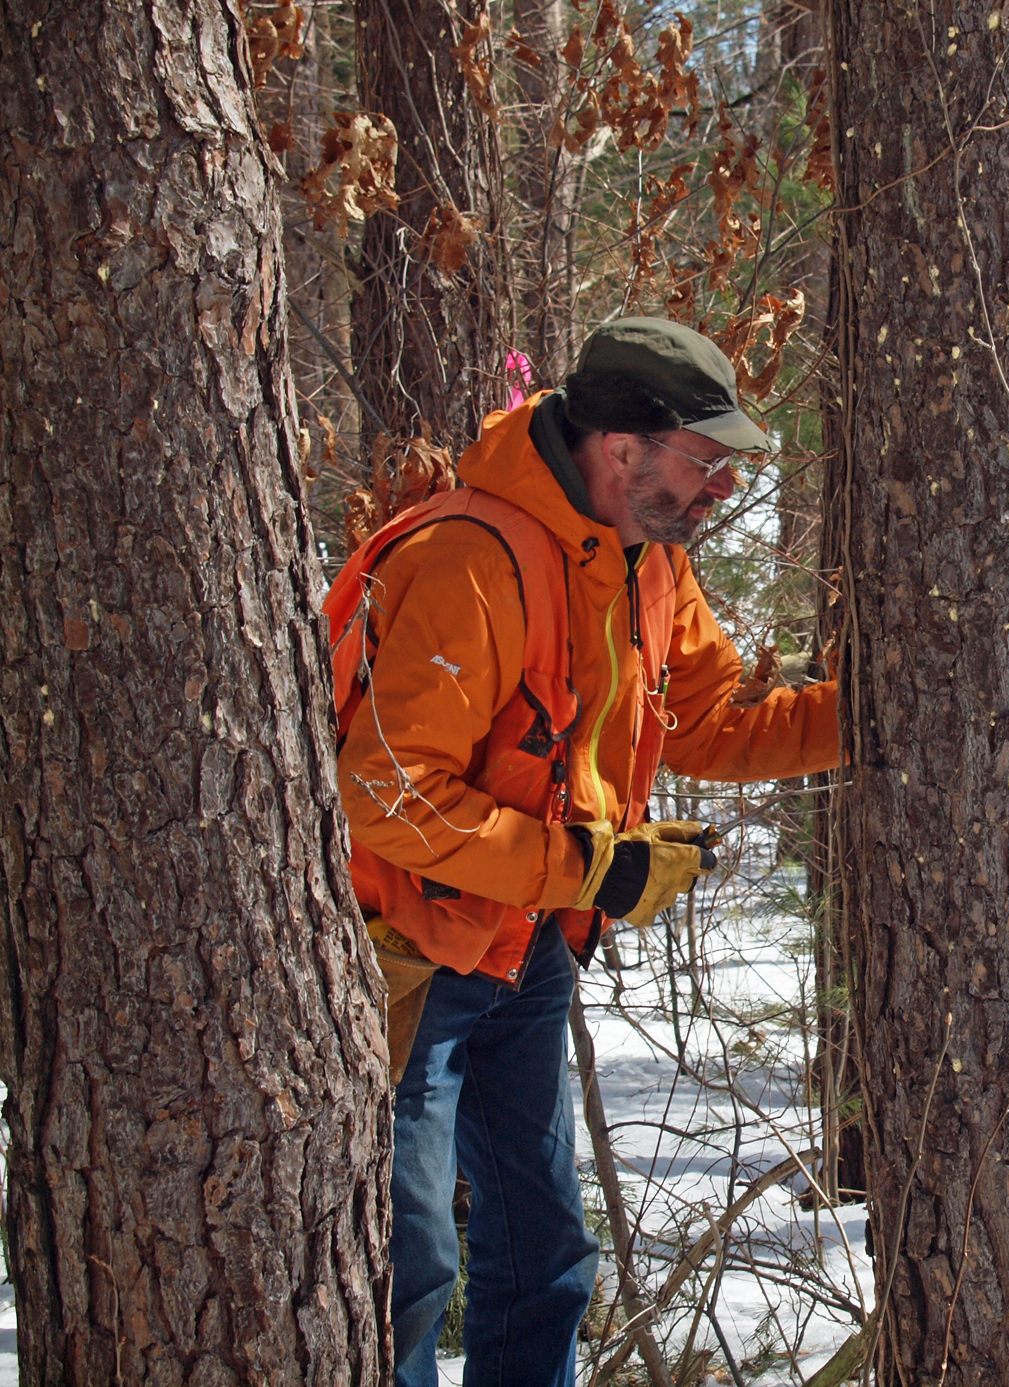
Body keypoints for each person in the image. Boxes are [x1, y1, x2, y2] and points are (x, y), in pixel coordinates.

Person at [326, 318, 842, 1387]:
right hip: (407, 958)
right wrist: (589, 868)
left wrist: (877, 713)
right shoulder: (465, 560)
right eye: (707, 460)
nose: (724, 490)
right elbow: (381, 795)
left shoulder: (648, 562)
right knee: (404, 1267)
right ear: (621, 446)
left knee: (546, 1252)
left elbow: (710, 722)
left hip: (525, 944)